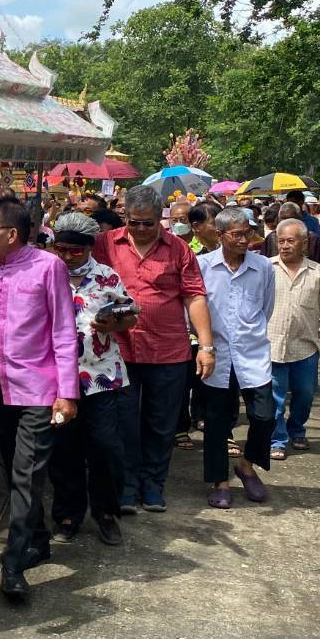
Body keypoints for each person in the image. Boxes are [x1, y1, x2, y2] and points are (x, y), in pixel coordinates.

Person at [0, 197, 79, 599]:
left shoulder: (48, 267)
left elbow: (64, 331)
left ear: (11, 234)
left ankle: (13, 563)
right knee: (14, 473)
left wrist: (67, 393)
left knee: (25, 477)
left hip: (37, 391)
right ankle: (38, 539)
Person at [93, 185, 215, 512]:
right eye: (134, 222)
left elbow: (194, 296)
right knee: (123, 423)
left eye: (148, 223)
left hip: (168, 351)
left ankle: (153, 485)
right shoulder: (106, 244)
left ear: (160, 218)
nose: (141, 229)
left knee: (161, 424)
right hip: (118, 351)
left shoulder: (178, 249)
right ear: (125, 217)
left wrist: (206, 346)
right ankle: (126, 487)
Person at [47, 213, 137, 547]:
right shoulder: (46, 273)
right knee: (62, 449)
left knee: (105, 447)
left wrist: (114, 325)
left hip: (100, 376)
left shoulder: (106, 276)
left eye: (75, 251)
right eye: (61, 249)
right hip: (56, 379)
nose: (67, 257)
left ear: (89, 248)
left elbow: (131, 314)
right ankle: (67, 513)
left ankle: (106, 512)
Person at [198, 210, 277, 508]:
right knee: (216, 422)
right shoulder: (203, 266)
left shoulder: (263, 267)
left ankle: (246, 466)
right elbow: (193, 309)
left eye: (248, 233)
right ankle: (219, 482)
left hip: (252, 353)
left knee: (265, 415)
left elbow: (267, 308)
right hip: (216, 354)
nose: (244, 240)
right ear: (220, 236)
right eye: (237, 234)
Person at [268, 219, 320, 459]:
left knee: (305, 393)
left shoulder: (316, 271)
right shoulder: (266, 269)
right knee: (275, 398)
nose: (285, 246)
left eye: (291, 241)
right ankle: (277, 439)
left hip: (305, 347)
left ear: (304, 243)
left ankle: (297, 429)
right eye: (281, 241)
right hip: (272, 346)